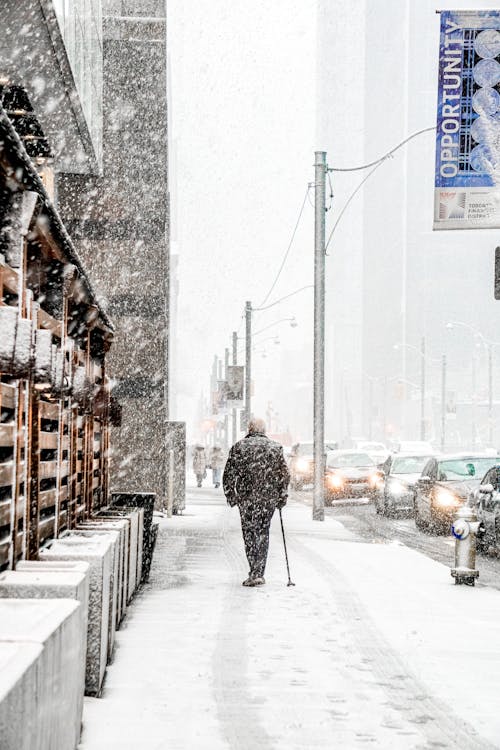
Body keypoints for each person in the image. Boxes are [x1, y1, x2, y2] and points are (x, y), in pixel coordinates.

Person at [223, 417, 290, 587]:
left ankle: (254, 570)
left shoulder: (239, 447)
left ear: (249, 429)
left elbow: (229, 474)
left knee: (249, 533)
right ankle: (259, 571)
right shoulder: (275, 448)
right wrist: (282, 496)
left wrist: (231, 495)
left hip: (246, 498)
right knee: (263, 532)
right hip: (267, 498)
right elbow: (284, 474)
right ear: (264, 430)